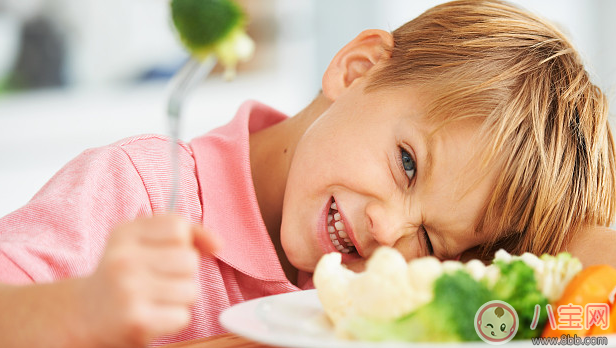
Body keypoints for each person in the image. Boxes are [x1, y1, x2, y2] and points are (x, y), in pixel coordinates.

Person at [1, 0, 615, 347]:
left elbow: (596, 286)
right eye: (407, 164)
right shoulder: (137, 191)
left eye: (429, 240)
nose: (388, 229)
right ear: (356, 68)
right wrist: (81, 309)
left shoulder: (395, 304)